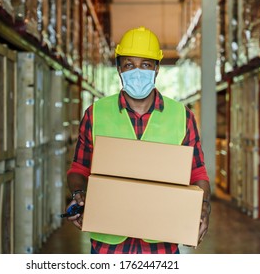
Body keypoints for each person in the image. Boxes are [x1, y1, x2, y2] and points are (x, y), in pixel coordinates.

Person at [65, 26, 211, 254]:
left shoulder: (182, 116)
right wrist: (77, 195)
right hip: (108, 244)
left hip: (161, 243)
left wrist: (203, 208)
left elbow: (198, 174)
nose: (137, 71)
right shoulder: (96, 114)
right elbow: (79, 169)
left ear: (157, 69)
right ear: (119, 69)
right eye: (129, 65)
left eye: (145, 64)